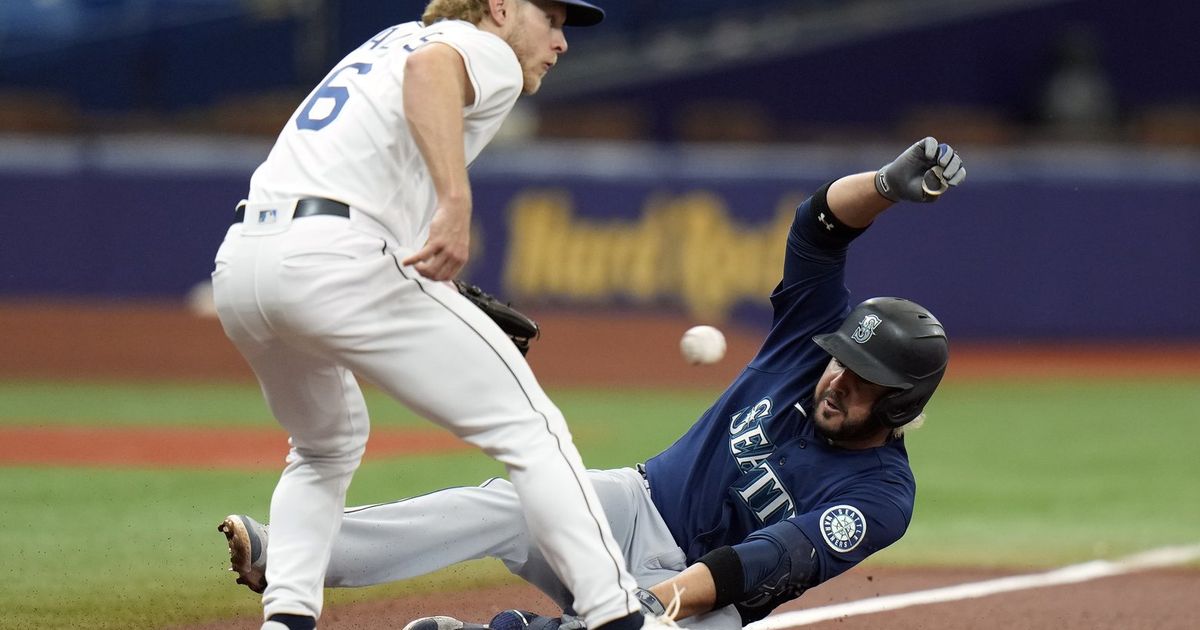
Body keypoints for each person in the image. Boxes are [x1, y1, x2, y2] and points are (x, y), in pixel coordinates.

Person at [217, 137, 967, 629]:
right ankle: (296, 557)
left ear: (899, 403)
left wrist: (655, 600)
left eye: (862, 377)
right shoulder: (808, 349)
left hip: (710, 601)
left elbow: (765, 561)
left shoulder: (881, 498)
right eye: (841, 357)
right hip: (633, 503)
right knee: (512, 501)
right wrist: (885, 185)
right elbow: (819, 230)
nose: (836, 377)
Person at [209, 2, 673, 630]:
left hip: (244, 265)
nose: (561, 42)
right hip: (334, 256)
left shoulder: (387, 41)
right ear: (501, 7)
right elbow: (431, 72)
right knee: (531, 430)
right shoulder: (481, 48)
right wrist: (455, 202)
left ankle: (286, 619)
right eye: (554, 19)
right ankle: (620, 616)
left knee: (324, 446)